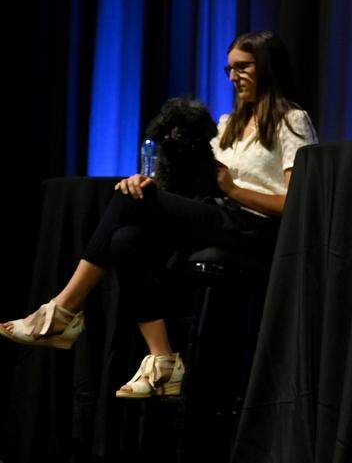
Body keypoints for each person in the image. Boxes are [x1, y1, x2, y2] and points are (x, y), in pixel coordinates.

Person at [1, 30, 318, 399]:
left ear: (267, 65)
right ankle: (163, 360)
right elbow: (198, 186)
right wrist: (152, 185)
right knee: (125, 238)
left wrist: (232, 189)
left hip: (258, 229)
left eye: (243, 67)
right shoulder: (226, 125)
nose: (234, 77)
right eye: (229, 69)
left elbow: (296, 204)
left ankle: (64, 310)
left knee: (132, 205)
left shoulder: (292, 121)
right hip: (218, 218)